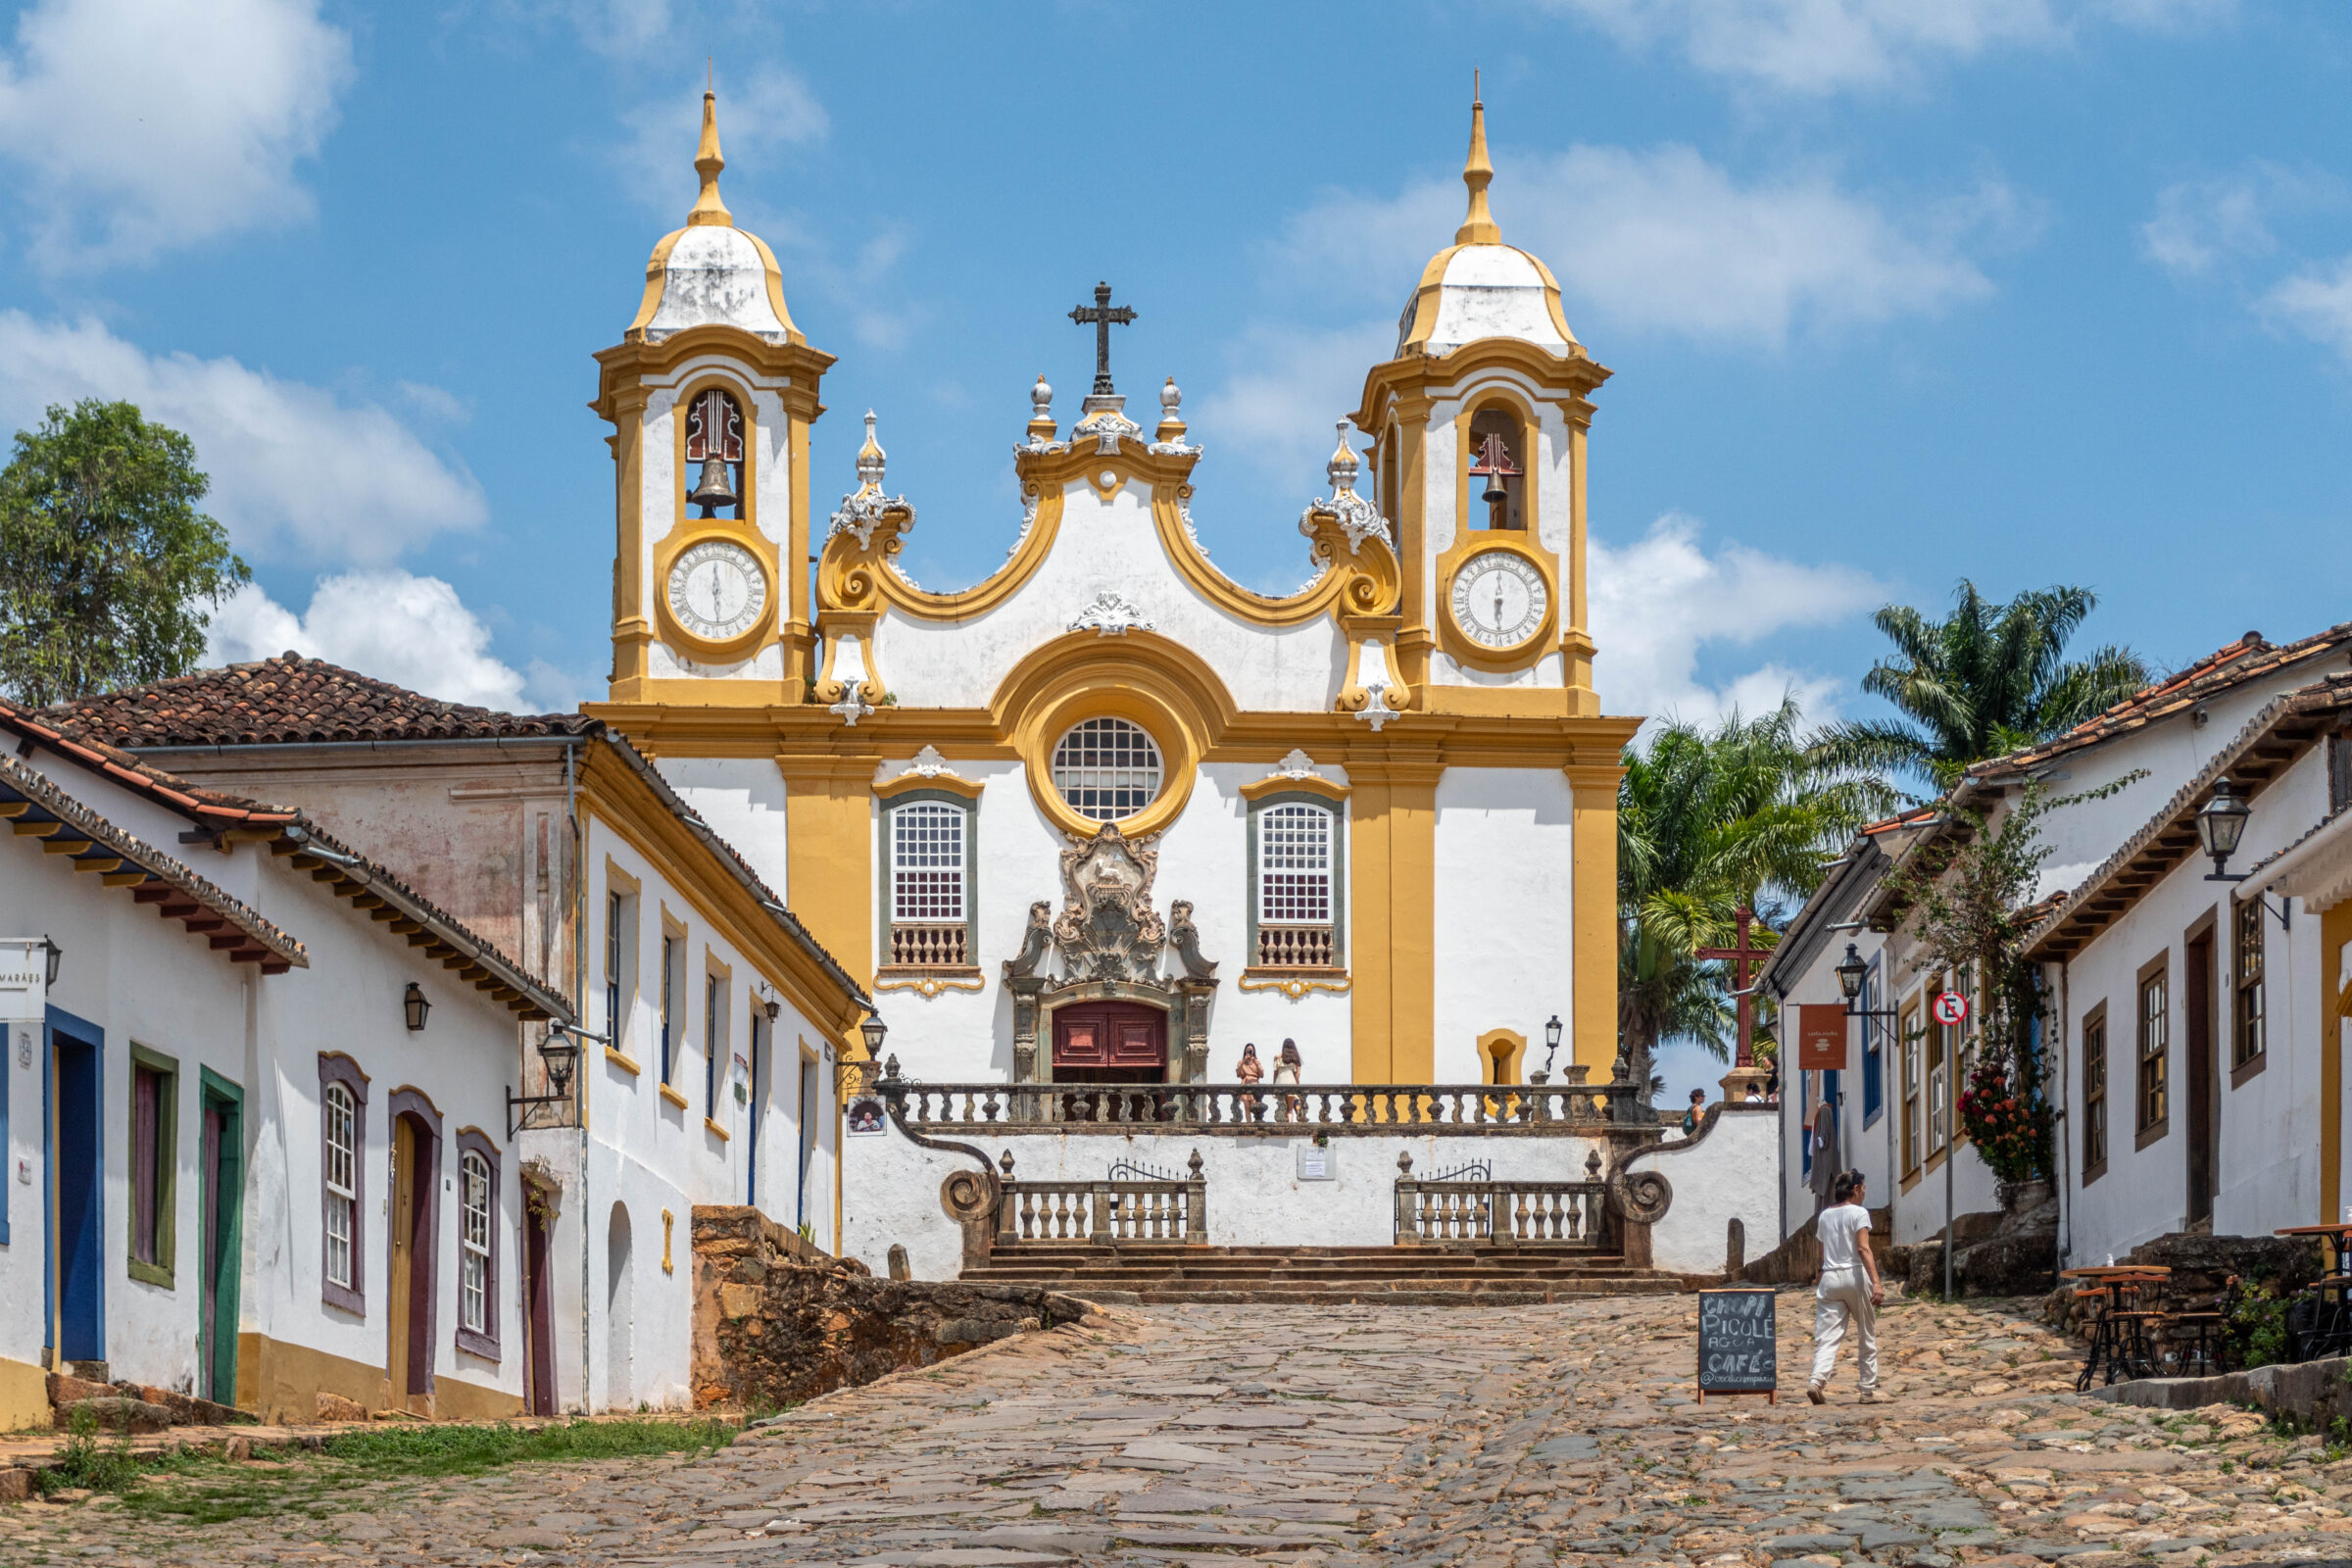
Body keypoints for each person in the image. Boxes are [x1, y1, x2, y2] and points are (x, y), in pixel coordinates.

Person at [1808, 1168, 1883, 1404]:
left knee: (1828, 1335)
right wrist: (1877, 1282)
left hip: (1829, 1276)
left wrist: (1820, 1274)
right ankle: (1866, 1390)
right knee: (1866, 1332)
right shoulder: (1859, 1213)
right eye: (1863, 1188)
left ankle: (1817, 1381)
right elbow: (1863, 1249)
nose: (1864, 1192)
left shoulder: (1824, 1215)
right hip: (1854, 1275)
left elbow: (1821, 1251)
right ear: (1856, 1189)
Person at [1273, 1039, 1303, 1122]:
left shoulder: (1277, 1058)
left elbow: (1275, 1072)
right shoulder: (1294, 1059)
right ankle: (1290, 1124)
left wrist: (1273, 1084)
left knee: (1282, 1107)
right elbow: (1297, 1074)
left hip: (1280, 1082)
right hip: (1291, 1082)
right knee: (1290, 1108)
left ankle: (1283, 1124)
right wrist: (1297, 1084)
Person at [1235, 1043, 1264, 1122]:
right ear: (1245, 1051)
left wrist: (1256, 1063)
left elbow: (1261, 1074)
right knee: (1247, 1107)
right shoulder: (1241, 1062)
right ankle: (1249, 1124)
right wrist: (1243, 1061)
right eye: (1248, 1050)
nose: (1250, 1052)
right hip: (1245, 1084)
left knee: (1255, 1106)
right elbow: (1238, 1074)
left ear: (1254, 1051)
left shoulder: (1256, 1062)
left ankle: (1256, 1124)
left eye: (1251, 1050)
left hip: (1255, 1084)